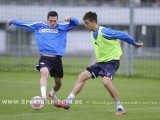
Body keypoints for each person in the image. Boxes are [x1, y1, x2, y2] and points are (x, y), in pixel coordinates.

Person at [56, 11, 143, 115]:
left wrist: (134, 43)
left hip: (112, 62)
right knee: (82, 76)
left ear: (93, 22)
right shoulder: (93, 33)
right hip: (101, 63)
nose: (85, 25)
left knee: (106, 82)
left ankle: (120, 108)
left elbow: (123, 35)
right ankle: (68, 101)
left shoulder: (105, 32)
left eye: (87, 23)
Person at [7, 11, 79, 106]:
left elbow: (76, 22)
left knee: (58, 84)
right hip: (45, 58)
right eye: (51, 21)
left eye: (54, 21)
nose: (53, 23)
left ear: (57, 20)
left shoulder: (63, 27)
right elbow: (24, 24)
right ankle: (43, 96)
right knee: (44, 73)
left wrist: (70, 18)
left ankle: (52, 94)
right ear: (47, 20)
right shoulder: (39, 26)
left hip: (57, 60)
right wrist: (12, 21)